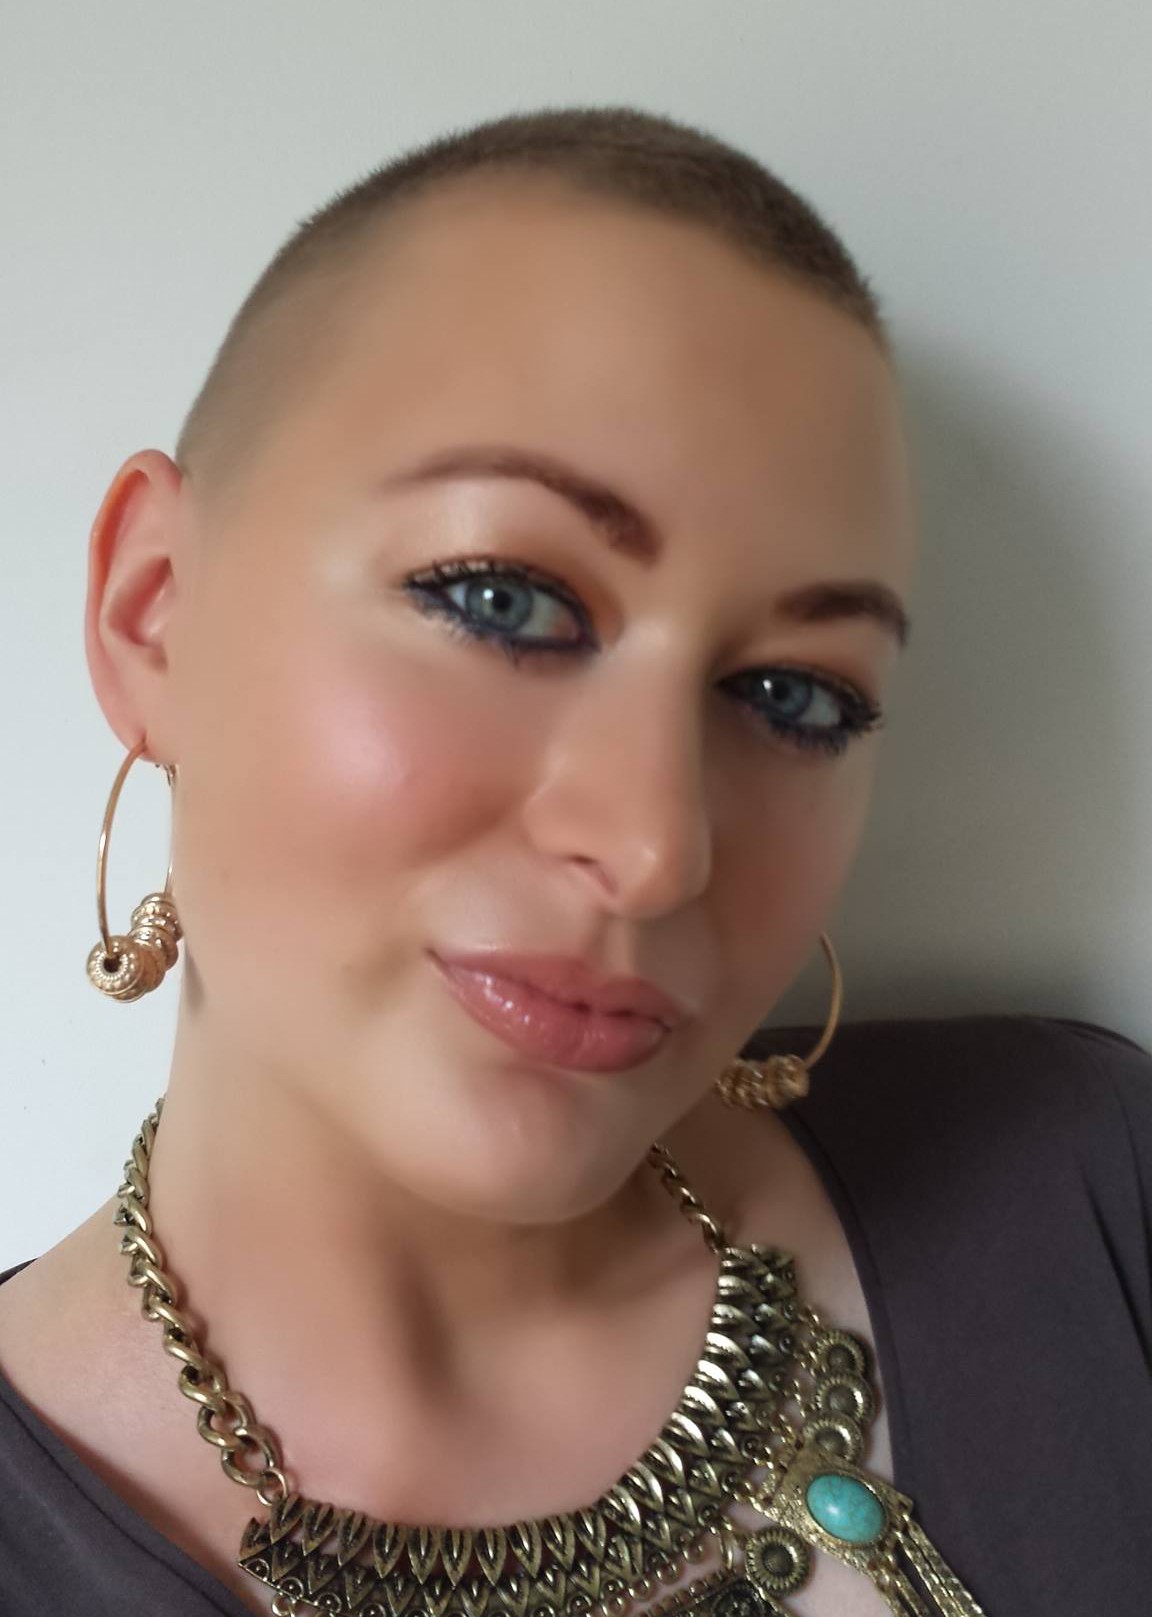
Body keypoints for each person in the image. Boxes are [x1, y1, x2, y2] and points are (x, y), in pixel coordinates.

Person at [0, 104, 1149, 1617]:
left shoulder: (1086, 1192)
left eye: (795, 696)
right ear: (155, 612)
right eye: (505, 600)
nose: (660, 846)